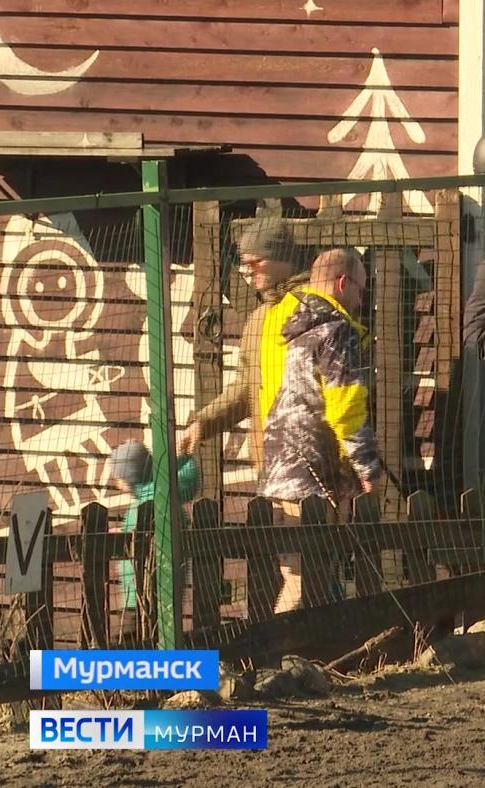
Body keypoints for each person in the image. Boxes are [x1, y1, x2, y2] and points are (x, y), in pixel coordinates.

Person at [260, 249, 384, 610]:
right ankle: (270, 658)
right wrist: (367, 467)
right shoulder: (336, 331)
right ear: (343, 284)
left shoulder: (290, 326)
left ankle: (298, 657)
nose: (362, 300)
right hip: (314, 470)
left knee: (302, 576)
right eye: (361, 290)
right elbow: (345, 408)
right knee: (305, 580)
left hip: (282, 465)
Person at [178, 218, 309, 464]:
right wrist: (204, 422)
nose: (248, 269)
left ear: (282, 258)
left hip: (310, 461)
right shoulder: (260, 319)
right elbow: (247, 386)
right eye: (244, 262)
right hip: (271, 461)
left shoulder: (313, 310)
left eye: (256, 261)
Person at [110, 441, 200, 636]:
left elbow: (140, 542)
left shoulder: (141, 509)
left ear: (127, 479)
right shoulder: (168, 497)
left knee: (129, 647)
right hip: (169, 595)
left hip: (138, 597)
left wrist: (120, 540)